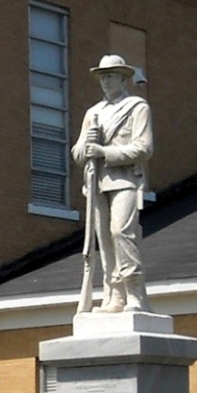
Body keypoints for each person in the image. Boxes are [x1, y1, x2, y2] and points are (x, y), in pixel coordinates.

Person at [75, 54, 153, 313]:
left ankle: (134, 295)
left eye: (110, 76)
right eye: (102, 77)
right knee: (104, 241)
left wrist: (103, 152)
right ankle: (114, 296)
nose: (105, 81)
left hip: (125, 181)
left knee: (122, 233)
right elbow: (77, 153)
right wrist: (88, 147)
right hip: (97, 184)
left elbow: (143, 148)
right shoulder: (93, 113)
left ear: (123, 77)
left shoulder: (136, 107)